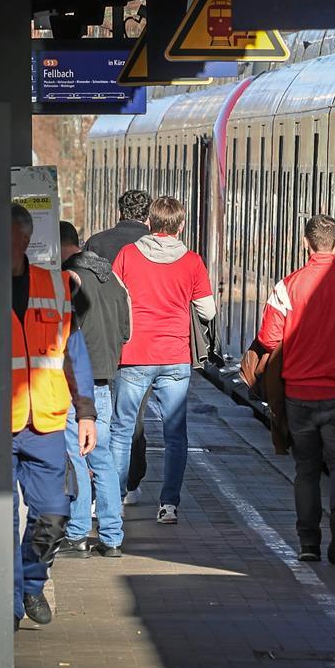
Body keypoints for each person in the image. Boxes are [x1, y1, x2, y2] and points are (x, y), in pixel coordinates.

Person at [255, 215, 335, 564]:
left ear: (305, 243)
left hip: (299, 395)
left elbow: (269, 338)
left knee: (306, 470)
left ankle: (308, 542)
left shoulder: (287, 287)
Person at [9, 204, 97, 628]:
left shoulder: (57, 286)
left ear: (25, 240)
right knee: (0, 517)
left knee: (54, 513)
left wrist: (86, 413)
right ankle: (9, 604)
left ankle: (31, 582)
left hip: (44, 423)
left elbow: (73, 355)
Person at [110, 196, 215, 527]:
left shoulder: (127, 255)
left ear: (149, 223)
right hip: (175, 357)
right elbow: (208, 311)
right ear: (181, 226)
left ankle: (115, 499)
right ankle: (168, 505)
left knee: (122, 430)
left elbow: (114, 297)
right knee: (175, 435)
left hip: (134, 354)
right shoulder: (193, 262)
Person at [57, 221, 131, 558]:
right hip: (106, 379)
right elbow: (127, 330)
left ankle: (77, 533)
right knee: (102, 459)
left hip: (77, 382)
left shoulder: (68, 279)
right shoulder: (112, 278)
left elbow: (63, 333)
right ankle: (112, 537)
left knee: (76, 455)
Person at [86, 190, 154, 507]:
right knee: (133, 417)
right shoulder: (153, 246)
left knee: (103, 414)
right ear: (148, 216)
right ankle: (131, 480)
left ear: (119, 211)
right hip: (142, 344)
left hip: (102, 342)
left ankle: (103, 480)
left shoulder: (97, 243)